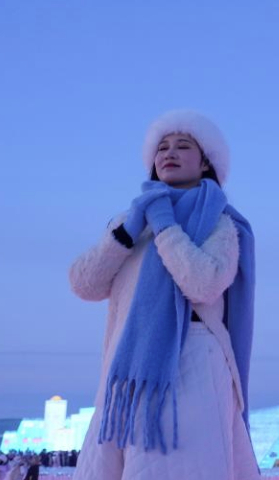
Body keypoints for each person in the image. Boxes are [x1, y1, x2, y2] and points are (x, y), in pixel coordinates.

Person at [68, 110, 259, 480]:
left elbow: (204, 284)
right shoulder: (129, 221)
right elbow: (84, 284)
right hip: (129, 368)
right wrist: (128, 230)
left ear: (205, 163)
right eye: (162, 148)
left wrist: (166, 225)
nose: (168, 153)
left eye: (183, 146)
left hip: (196, 362)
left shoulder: (221, 223)